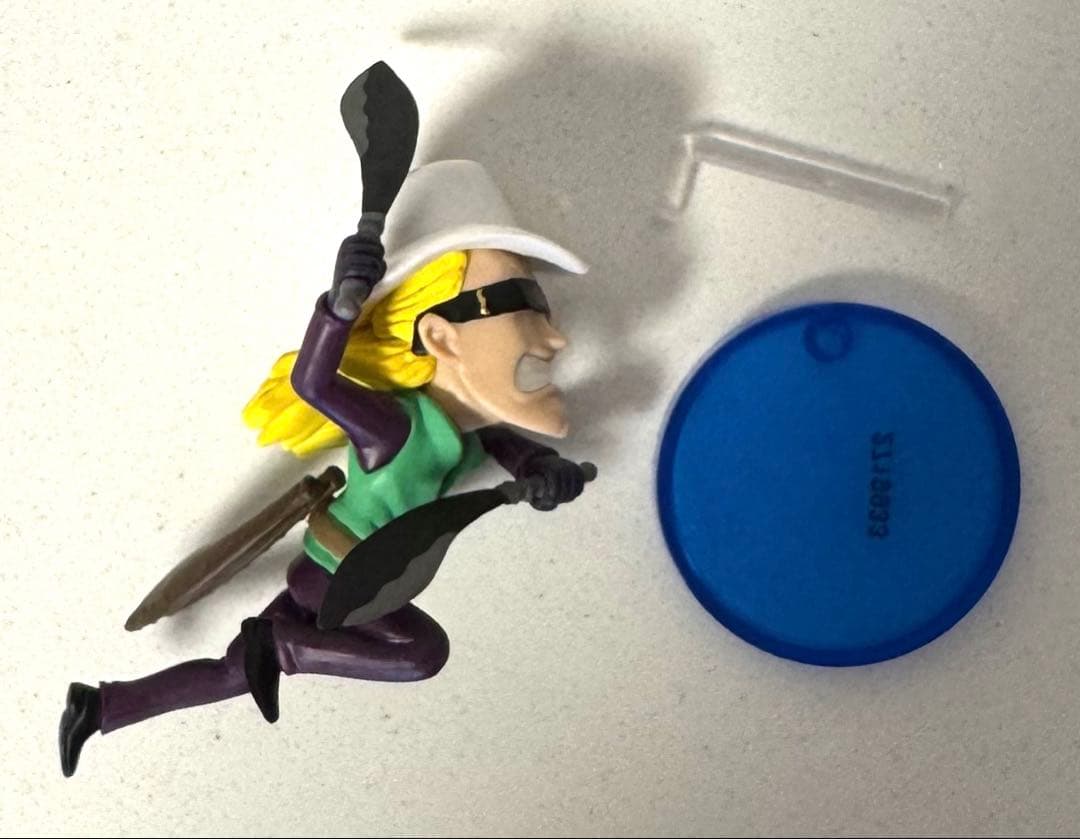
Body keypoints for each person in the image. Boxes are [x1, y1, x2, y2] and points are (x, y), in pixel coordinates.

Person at [59, 159, 592, 777]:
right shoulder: (396, 428)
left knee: (236, 672)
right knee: (423, 653)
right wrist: (337, 309)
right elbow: (313, 383)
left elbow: (505, 444)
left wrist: (544, 466)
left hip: (340, 577)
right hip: (340, 577)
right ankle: (283, 645)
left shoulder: (460, 433)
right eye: (522, 303)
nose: (556, 337)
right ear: (440, 335)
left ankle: (100, 706)